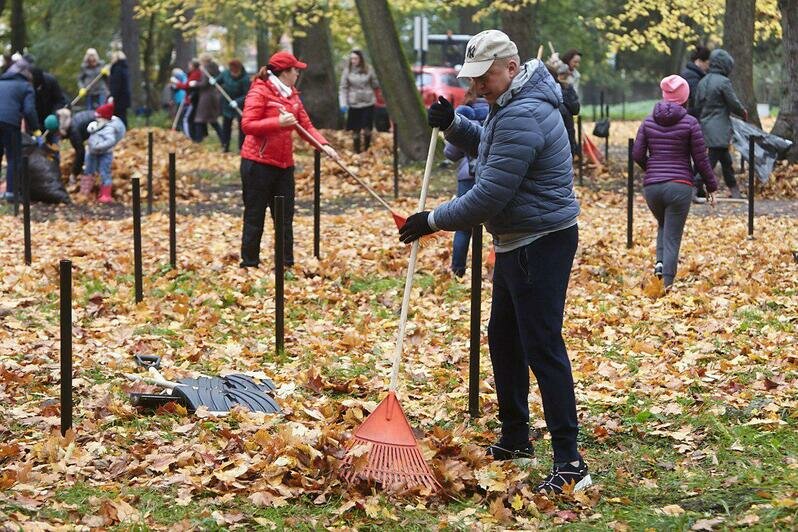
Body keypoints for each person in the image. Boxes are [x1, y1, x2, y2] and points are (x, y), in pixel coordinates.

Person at [400, 30, 589, 494]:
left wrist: (431, 220)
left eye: (484, 77)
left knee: (542, 346)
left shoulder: (524, 112)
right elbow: (494, 148)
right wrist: (454, 126)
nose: (477, 86)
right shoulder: (515, 103)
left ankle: (571, 462)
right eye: (474, 78)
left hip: (539, 242)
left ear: (510, 66)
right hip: (517, 241)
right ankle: (515, 437)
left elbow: (488, 195)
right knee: (503, 338)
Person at [239, 51, 338, 268]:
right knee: (255, 216)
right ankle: (249, 263)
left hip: (284, 165)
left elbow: (306, 126)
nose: (298, 74)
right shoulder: (260, 91)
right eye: (295, 70)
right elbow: (247, 125)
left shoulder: (292, 95)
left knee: (284, 217)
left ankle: (285, 264)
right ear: (285, 72)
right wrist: (278, 122)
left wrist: (325, 146)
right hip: (257, 164)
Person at [633, 75, 718, 288]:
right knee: (672, 233)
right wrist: (711, 185)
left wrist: (651, 169)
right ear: (685, 97)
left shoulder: (648, 121)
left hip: (652, 187)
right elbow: (701, 159)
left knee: (664, 224)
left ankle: (660, 264)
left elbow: (637, 153)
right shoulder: (690, 123)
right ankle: (667, 283)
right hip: (679, 186)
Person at [443, 88, 489, 277]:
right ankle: (498, 270)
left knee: (463, 225)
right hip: (491, 175)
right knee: (500, 225)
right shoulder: (498, 113)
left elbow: (451, 153)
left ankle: (458, 269)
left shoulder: (464, 116)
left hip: (467, 176)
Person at [694, 49, 747, 199]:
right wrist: (743, 112)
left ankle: (734, 190)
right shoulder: (723, 82)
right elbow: (733, 102)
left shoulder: (703, 81)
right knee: (711, 161)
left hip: (705, 125)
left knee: (726, 160)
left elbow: (697, 102)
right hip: (720, 127)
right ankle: (694, 185)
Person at [0, 58, 39, 202]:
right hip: (10, 123)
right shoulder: (26, 87)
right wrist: (36, 131)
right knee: (13, 158)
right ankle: (11, 193)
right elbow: (29, 110)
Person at [84, 100, 126, 203]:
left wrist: (99, 146)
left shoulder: (109, 129)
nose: (96, 119)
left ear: (104, 118)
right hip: (92, 151)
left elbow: (110, 141)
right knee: (89, 170)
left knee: (104, 172)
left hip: (105, 153)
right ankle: (85, 192)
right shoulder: (97, 125)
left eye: (99, 117)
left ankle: (106, 195)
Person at [339, 50, 379, 153]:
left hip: (368, 102)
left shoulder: (368, 69)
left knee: (367, 130)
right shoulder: (347, 71)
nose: (353, 61)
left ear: (360, 59)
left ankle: (366, 150)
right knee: (355, 130)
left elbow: (375, 84)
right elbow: (343, 87)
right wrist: (343, 103)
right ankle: (357, 151)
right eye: (351, 58)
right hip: (354, 104)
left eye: (355, 58)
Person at [216, 59, 250, 153]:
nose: (233, 74)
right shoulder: (225, 73)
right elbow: (218, 80)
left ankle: (241, 148)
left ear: (240, 70)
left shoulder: (245, 79)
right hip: (227, 104)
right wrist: (214, 81)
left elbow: (247, 94)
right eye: (232, 71)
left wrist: (238, 101)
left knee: (241, 127)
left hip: (240, 105)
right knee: (226, 126)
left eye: (236, 72)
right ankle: (225, 146)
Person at [56, 107, 96, 183]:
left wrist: (74, 173)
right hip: (99, 120)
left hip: (106, 127)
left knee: (91, 152)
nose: (58, 137)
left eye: (57, 133)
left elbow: (80, 153)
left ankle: (90, 174)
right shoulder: (72, 123)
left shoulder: (74, 133)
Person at [191, 54, 223, 144]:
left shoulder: (207, 69)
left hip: (206, 97)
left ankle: (198, 141)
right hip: (212, 96)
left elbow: (204, 83)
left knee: (199, 120)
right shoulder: (214, 68)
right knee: (212, 121)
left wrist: (195, 84)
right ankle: (223, 140)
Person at [173, 60, 203, 141]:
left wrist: (177, 83)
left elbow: (187, 86)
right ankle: (191, 135)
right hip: (188, 98)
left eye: (190, 65)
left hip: (191, 99)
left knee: (187, 119)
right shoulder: (191, 74)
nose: (189, 67)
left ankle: (189, 137)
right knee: (188, 118)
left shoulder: (195, 74)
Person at [30, 67, 66, 132]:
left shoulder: (51, 81)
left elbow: (60, 100)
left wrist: (54, 114)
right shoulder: (27, 85)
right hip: (37, 116)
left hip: (51, 114)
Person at [680, 45, 710, 117]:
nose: (708, 67)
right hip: (691, 115)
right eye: (707, 63)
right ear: (699, 61)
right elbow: (696, 99)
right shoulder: (692, 76)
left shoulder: (692, 73)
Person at [109, 51, 132, 127]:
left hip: (119, 97)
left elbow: (116, 84)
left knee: (118, 115)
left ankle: (122, 130)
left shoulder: (117, 69)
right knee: (123, 114)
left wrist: (112, 96)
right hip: (125, 97)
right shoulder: (125, 68)